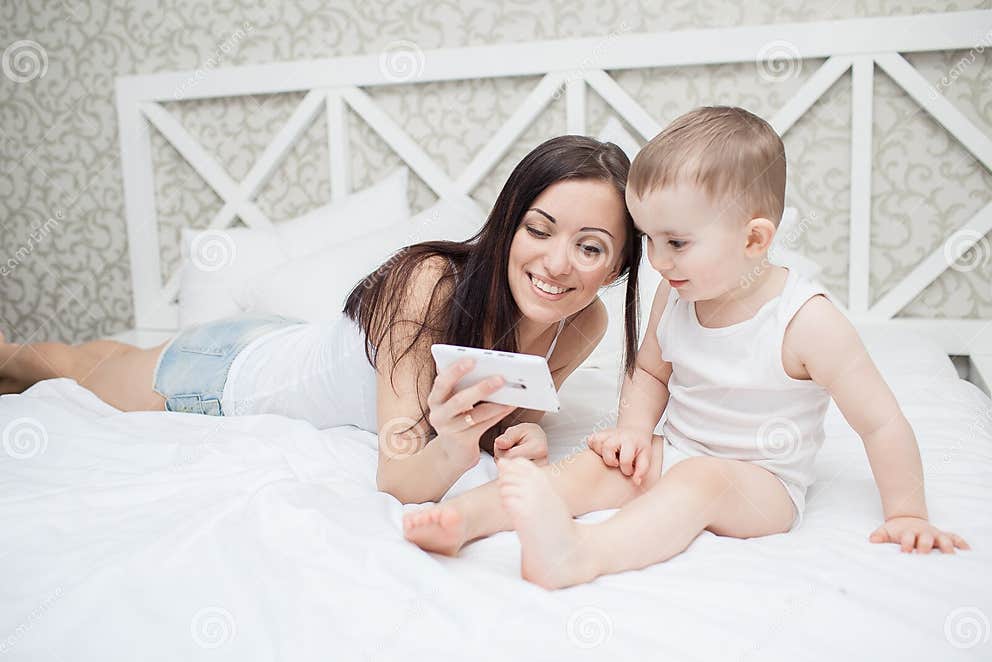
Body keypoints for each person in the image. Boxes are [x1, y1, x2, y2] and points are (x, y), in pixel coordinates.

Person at [403, 106, 971, 587]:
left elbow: (881, 423)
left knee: (697, 484)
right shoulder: (675, 297)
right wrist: (631, 432)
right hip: (677, 447)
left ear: (754, 239)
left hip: (761, 484)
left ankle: (580, 554)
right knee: (590, 470)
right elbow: (649, 373)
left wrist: (907, 513)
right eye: (649, 239)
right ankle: (458, 519)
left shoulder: (805, 320)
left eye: (676, 242)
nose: (657, 260)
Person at [0, 135, 642, 504]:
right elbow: (399, 478)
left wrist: (515, 440)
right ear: (508, 226)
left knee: (92, 360)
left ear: (616, 267)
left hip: (286, 340)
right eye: (540, 229)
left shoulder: (582, 327)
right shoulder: (430, 287)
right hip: (226, 375)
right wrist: (453, 443)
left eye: (590, 247)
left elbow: (497, 425)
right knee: (52, 366)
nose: (558, 264)